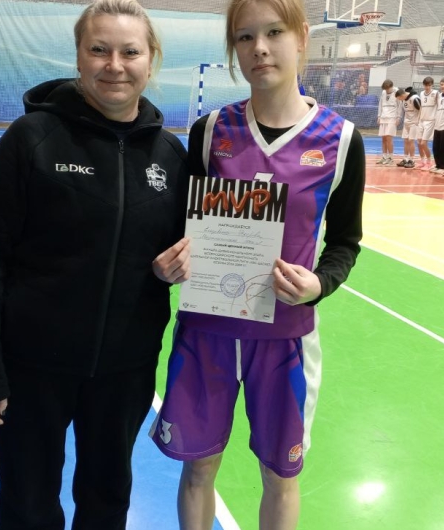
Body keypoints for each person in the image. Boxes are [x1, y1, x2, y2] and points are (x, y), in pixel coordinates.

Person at [0, 1, 191, 528]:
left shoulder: (170, 157)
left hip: (125, 370)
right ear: (79, 57)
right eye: (99, 49)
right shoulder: (31, 139)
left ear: (150, 60)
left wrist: (181, 260)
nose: (115, 65)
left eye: (130, 52)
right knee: (28, 502)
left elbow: (187, 246)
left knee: (107, 496)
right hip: (31, 367)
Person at [150, 1, 365, 529]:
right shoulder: (209, 131)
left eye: (274, 33)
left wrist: (320, 284)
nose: (260, 49)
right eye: (245, 37)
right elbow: (181, 226)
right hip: (207, 331)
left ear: (302, 38)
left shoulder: (340, 141)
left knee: (280, 476)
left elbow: (346, 242)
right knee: (199, 468)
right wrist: (169, 262)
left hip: (285, 338)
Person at [376, 79, 401, 165]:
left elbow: (399, 106)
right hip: (383, 117)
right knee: (383, 138)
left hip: (392, 118)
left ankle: (390, 158)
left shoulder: (397, 92)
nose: (386, 90)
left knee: (389, 138)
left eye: (388, 89)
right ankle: (384, 157)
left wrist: (398, 117)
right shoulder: (383, 92)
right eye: (385, 89)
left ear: (391, 86)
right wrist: (379, 116)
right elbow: (380, 105)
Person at [416, 77, 439, 170]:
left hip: (430, 121)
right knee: (418, 142)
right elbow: (421, 107)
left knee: (423, 143)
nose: (427, 87)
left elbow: (439, 105)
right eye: (426, 85)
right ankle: (423, 161)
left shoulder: (436, 93)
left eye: (429, 85)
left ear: (432, 85)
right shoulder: (421, 93)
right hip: (422, 120)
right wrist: (418, 119)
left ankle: (429, 162)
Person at [431, 77, 444, 175]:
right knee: (435, 147)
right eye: (441, 84)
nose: (443, 86)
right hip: (437, 125)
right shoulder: (438, 95)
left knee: (443, 147)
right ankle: (438, 165)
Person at [396, 87, 420, 168]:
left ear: (402, 95)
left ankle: (412, 160)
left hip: (414, 123)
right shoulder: (404, 100)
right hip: (406, 123)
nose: (400, 100)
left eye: (399, 98)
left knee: (411, 141)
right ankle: (405, 158)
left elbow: (421, 110)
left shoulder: (415, 98)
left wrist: (418, 121)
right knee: (406, 140)